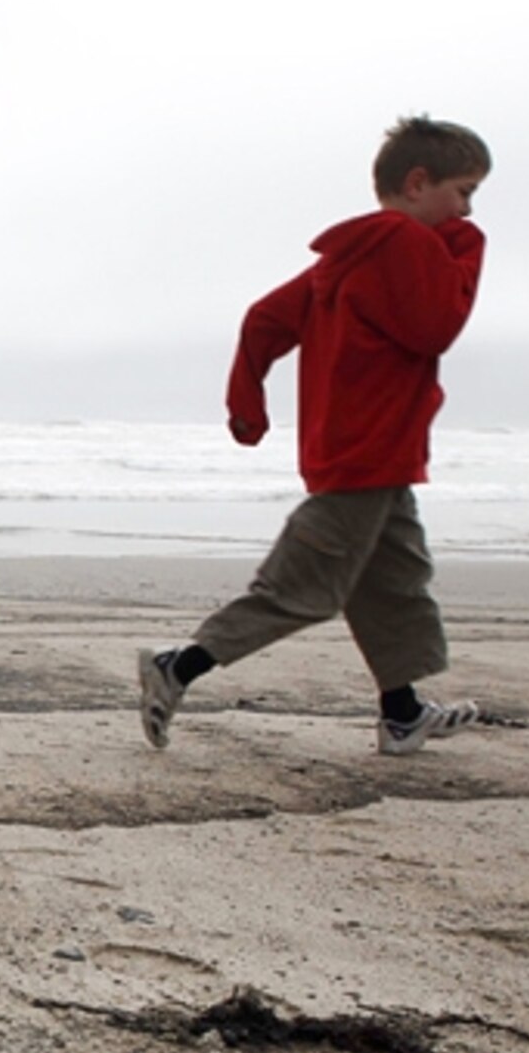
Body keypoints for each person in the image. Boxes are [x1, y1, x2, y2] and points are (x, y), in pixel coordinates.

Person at [139, 116, 489, 755]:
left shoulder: (344, 261)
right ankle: (179, 665)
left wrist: (247, 404)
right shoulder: (406, 243)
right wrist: (465, 247)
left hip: (374, 455)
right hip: (365, 455)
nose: (467, 210)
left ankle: (402, 714)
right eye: (462, 192)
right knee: (301, 590)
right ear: (417, 183)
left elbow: (263, 320)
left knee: (394, 584)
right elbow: (437, 327)